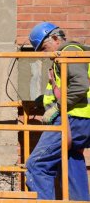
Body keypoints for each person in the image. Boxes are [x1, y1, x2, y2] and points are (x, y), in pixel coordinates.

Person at [26, 21, 90, 200]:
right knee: (71, 160)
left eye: (44, 48)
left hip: (72, 119)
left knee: (37, 165)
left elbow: (80, 85)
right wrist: (44, 102)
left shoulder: (69, 52)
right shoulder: (67, 55)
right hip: (80, 120)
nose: (45, 54)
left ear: (55, 38)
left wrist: (57, 108)